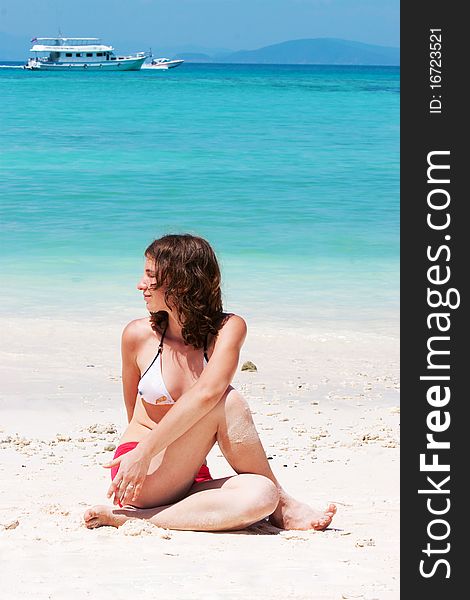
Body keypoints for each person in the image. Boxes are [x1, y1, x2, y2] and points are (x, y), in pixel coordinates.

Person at [84, 234, 336, 531]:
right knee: (229, 401)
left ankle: (134, 519)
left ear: (180, 282)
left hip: (187, 473)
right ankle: (285, 506)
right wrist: (142, 454)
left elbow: (208, 391)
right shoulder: (137, 336)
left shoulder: (228, 329)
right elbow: (134, 414)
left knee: (260, 494)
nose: (140, 284)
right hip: (141, 469)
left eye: (150, 276)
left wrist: (182, 464)